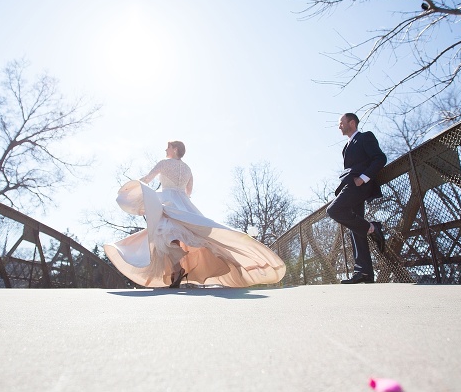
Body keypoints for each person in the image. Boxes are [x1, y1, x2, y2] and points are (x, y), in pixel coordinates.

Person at [104, 141, 286, 288]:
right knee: (176, 232)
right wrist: (182, 199)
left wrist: (133, 188)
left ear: (175, 149)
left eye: (168, 147)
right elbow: (189, 191)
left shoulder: (163, 163)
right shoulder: (188, 169)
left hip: (167, 199)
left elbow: (147, 179)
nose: (165, 150)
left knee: (165, 232)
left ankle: (177, 267)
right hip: (183, 202)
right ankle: (178, 268)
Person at [326, 114, 387, 284]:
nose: (339, 126)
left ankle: (373, 227)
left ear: (352, 123)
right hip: (351, 185)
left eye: (341, 123)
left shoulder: (365, 137)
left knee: (334, 210)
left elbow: (380, 158)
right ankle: (363, 272)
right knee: (355, 227)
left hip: (360, 185)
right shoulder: (346, 147)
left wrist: (363, 178)